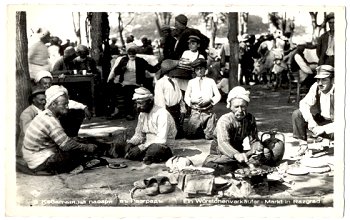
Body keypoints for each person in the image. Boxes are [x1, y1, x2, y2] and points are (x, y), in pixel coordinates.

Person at [21, 86, 103, 175]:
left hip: (35, 157)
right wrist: (87, 147)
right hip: (39, 162)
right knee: (76, 150)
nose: (67, 107)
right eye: (64, 104)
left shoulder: (45, 114)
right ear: (53, 104)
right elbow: (67, 146)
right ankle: (80, 163)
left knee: (76, 142)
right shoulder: (50, 120)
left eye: (67, 104)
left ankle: (85, 158)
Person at [202, 86, 269, 175]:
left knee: (266, 153)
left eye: (243, 106)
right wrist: (236, 155)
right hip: (221, 155)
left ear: (247, 106)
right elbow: (223, 143)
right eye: (236, 107)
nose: (240, 110)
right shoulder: (225, 120)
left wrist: (257, 147)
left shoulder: (250, 119)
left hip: (241, 154)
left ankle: (240, 165)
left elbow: (254, 140)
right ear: (230, 106)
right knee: (218, 167)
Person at [122, 87, 177, 165]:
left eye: (141, 103)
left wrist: (141, 147)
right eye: (137, 103)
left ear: (150, 101)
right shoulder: (142, 114)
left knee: (154, 150)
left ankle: (143, 157)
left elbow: (161, 140)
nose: (138, 106)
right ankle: (141, 156)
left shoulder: (162, 114)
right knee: (123, 144)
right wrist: (131, 143)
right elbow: (139, 135)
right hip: (146, 145)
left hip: (162, 146)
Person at [292, 65, 334, 155]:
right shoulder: (316, 87)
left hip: (337, 128)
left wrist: (324, 129)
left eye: (324, 79)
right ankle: (303, 146)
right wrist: (310, 121)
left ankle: (329, 140)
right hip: (322, 121)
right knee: (297, 114)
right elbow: (304, 103)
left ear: (332, 80)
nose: (320, 83)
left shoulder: (341, 91)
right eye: (318, 79)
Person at [111, 47, 160, 120]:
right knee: (110, 89)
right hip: (124, 83)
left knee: (129, 92)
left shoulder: (140, 61)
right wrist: (122, 69)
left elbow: (152, 69)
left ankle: (129, 114)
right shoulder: (123, 60)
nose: (132, 57)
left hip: (136, 83)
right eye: (130, 55)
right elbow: (116, 71)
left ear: (135, 54)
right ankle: (116, 111)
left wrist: (160, 64)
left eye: (133, 55)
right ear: (127, 55)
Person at [184, 58, 221, 140]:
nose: (200, 71)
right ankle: (199, 129)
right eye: (197, 69)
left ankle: (207, 129)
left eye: (202, 68)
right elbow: (186, 96)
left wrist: (209, 100)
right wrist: (192, 101)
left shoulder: (210, 81)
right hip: (196, 111)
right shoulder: (191, 82)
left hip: (208, 111)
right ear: (194, 71)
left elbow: (218, 96)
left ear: (205, 69)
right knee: (190, 135)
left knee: (210, 136)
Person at [154, 62, 186, 139]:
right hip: (168, 109)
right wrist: (163, 112)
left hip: (176, 108)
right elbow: (160, 99)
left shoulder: (174, 81)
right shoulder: (160, 83)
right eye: (174, 70)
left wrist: (182, 109)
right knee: (169, 130)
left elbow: (180, 96)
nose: (175, 71)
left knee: (179, 131)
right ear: (169, 71)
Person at [16, 86, 46, 158]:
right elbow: (27, 132)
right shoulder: (27, 113)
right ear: (33, 100)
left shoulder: (44, 110)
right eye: (41, 100)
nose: (44, 102)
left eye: (45, 100)